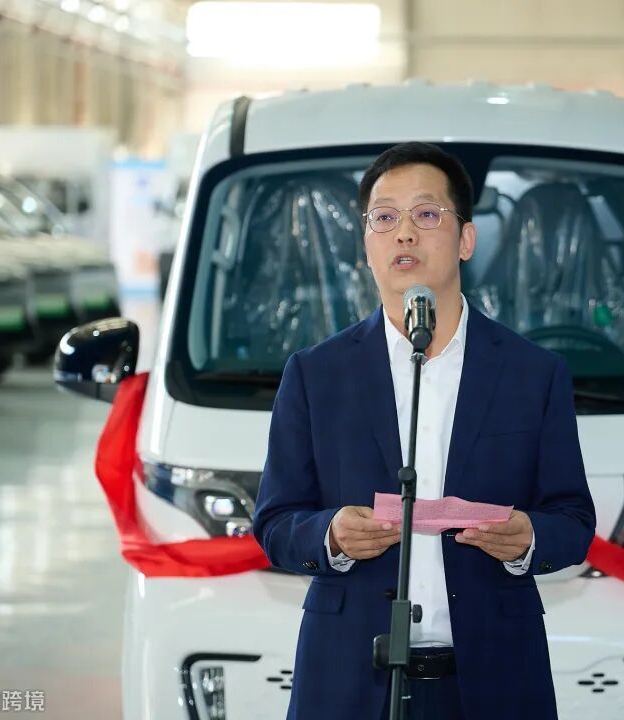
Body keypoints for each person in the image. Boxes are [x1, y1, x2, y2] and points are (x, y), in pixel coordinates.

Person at [252, 142, 596, 720]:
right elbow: (275, 522)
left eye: (427, 214)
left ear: (466, 239)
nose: (404, 233)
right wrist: (330, 536)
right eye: (384, 218)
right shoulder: (316, 374)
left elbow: (573, 520)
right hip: (348, 678)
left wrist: (528, 540)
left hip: (493, 680)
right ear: (366, 244)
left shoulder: (533, 373)